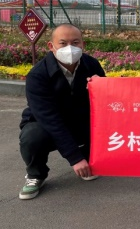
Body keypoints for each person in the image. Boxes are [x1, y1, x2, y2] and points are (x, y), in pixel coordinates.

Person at [18, 23, 106, 199]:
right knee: (32, 136)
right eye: (63, 43)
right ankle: (36, 175)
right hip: (49, 124)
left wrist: (101, 88)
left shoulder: (91, 65)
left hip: (79, 120)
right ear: (51, 46)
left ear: (83, 44)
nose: (70, 48)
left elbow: (105, 106)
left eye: (75, 42)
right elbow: (49, 119)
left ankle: (89, 160)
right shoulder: (38, 75)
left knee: (101, 123)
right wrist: (74, 158)